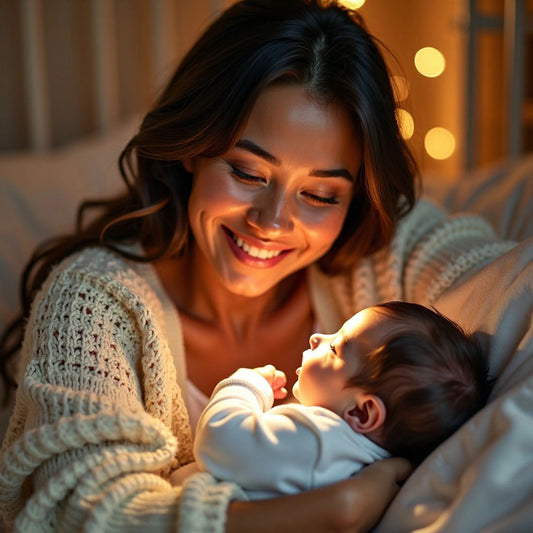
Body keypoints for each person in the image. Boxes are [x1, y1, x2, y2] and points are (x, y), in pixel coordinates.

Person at [0, 0, 513, 532]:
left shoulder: (377, 258)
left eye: (319, 194)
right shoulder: (93, 301)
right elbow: (83, 512)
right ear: (193, 149)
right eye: (247, 171)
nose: (272, 221)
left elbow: (499, 276)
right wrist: (329, 511)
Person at [170, 301, 492, 497]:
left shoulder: (317, 438)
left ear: (363, 413)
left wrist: (246, 385)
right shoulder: (354, 460)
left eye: (336, 347)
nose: (318, 338)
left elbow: (222, 442)